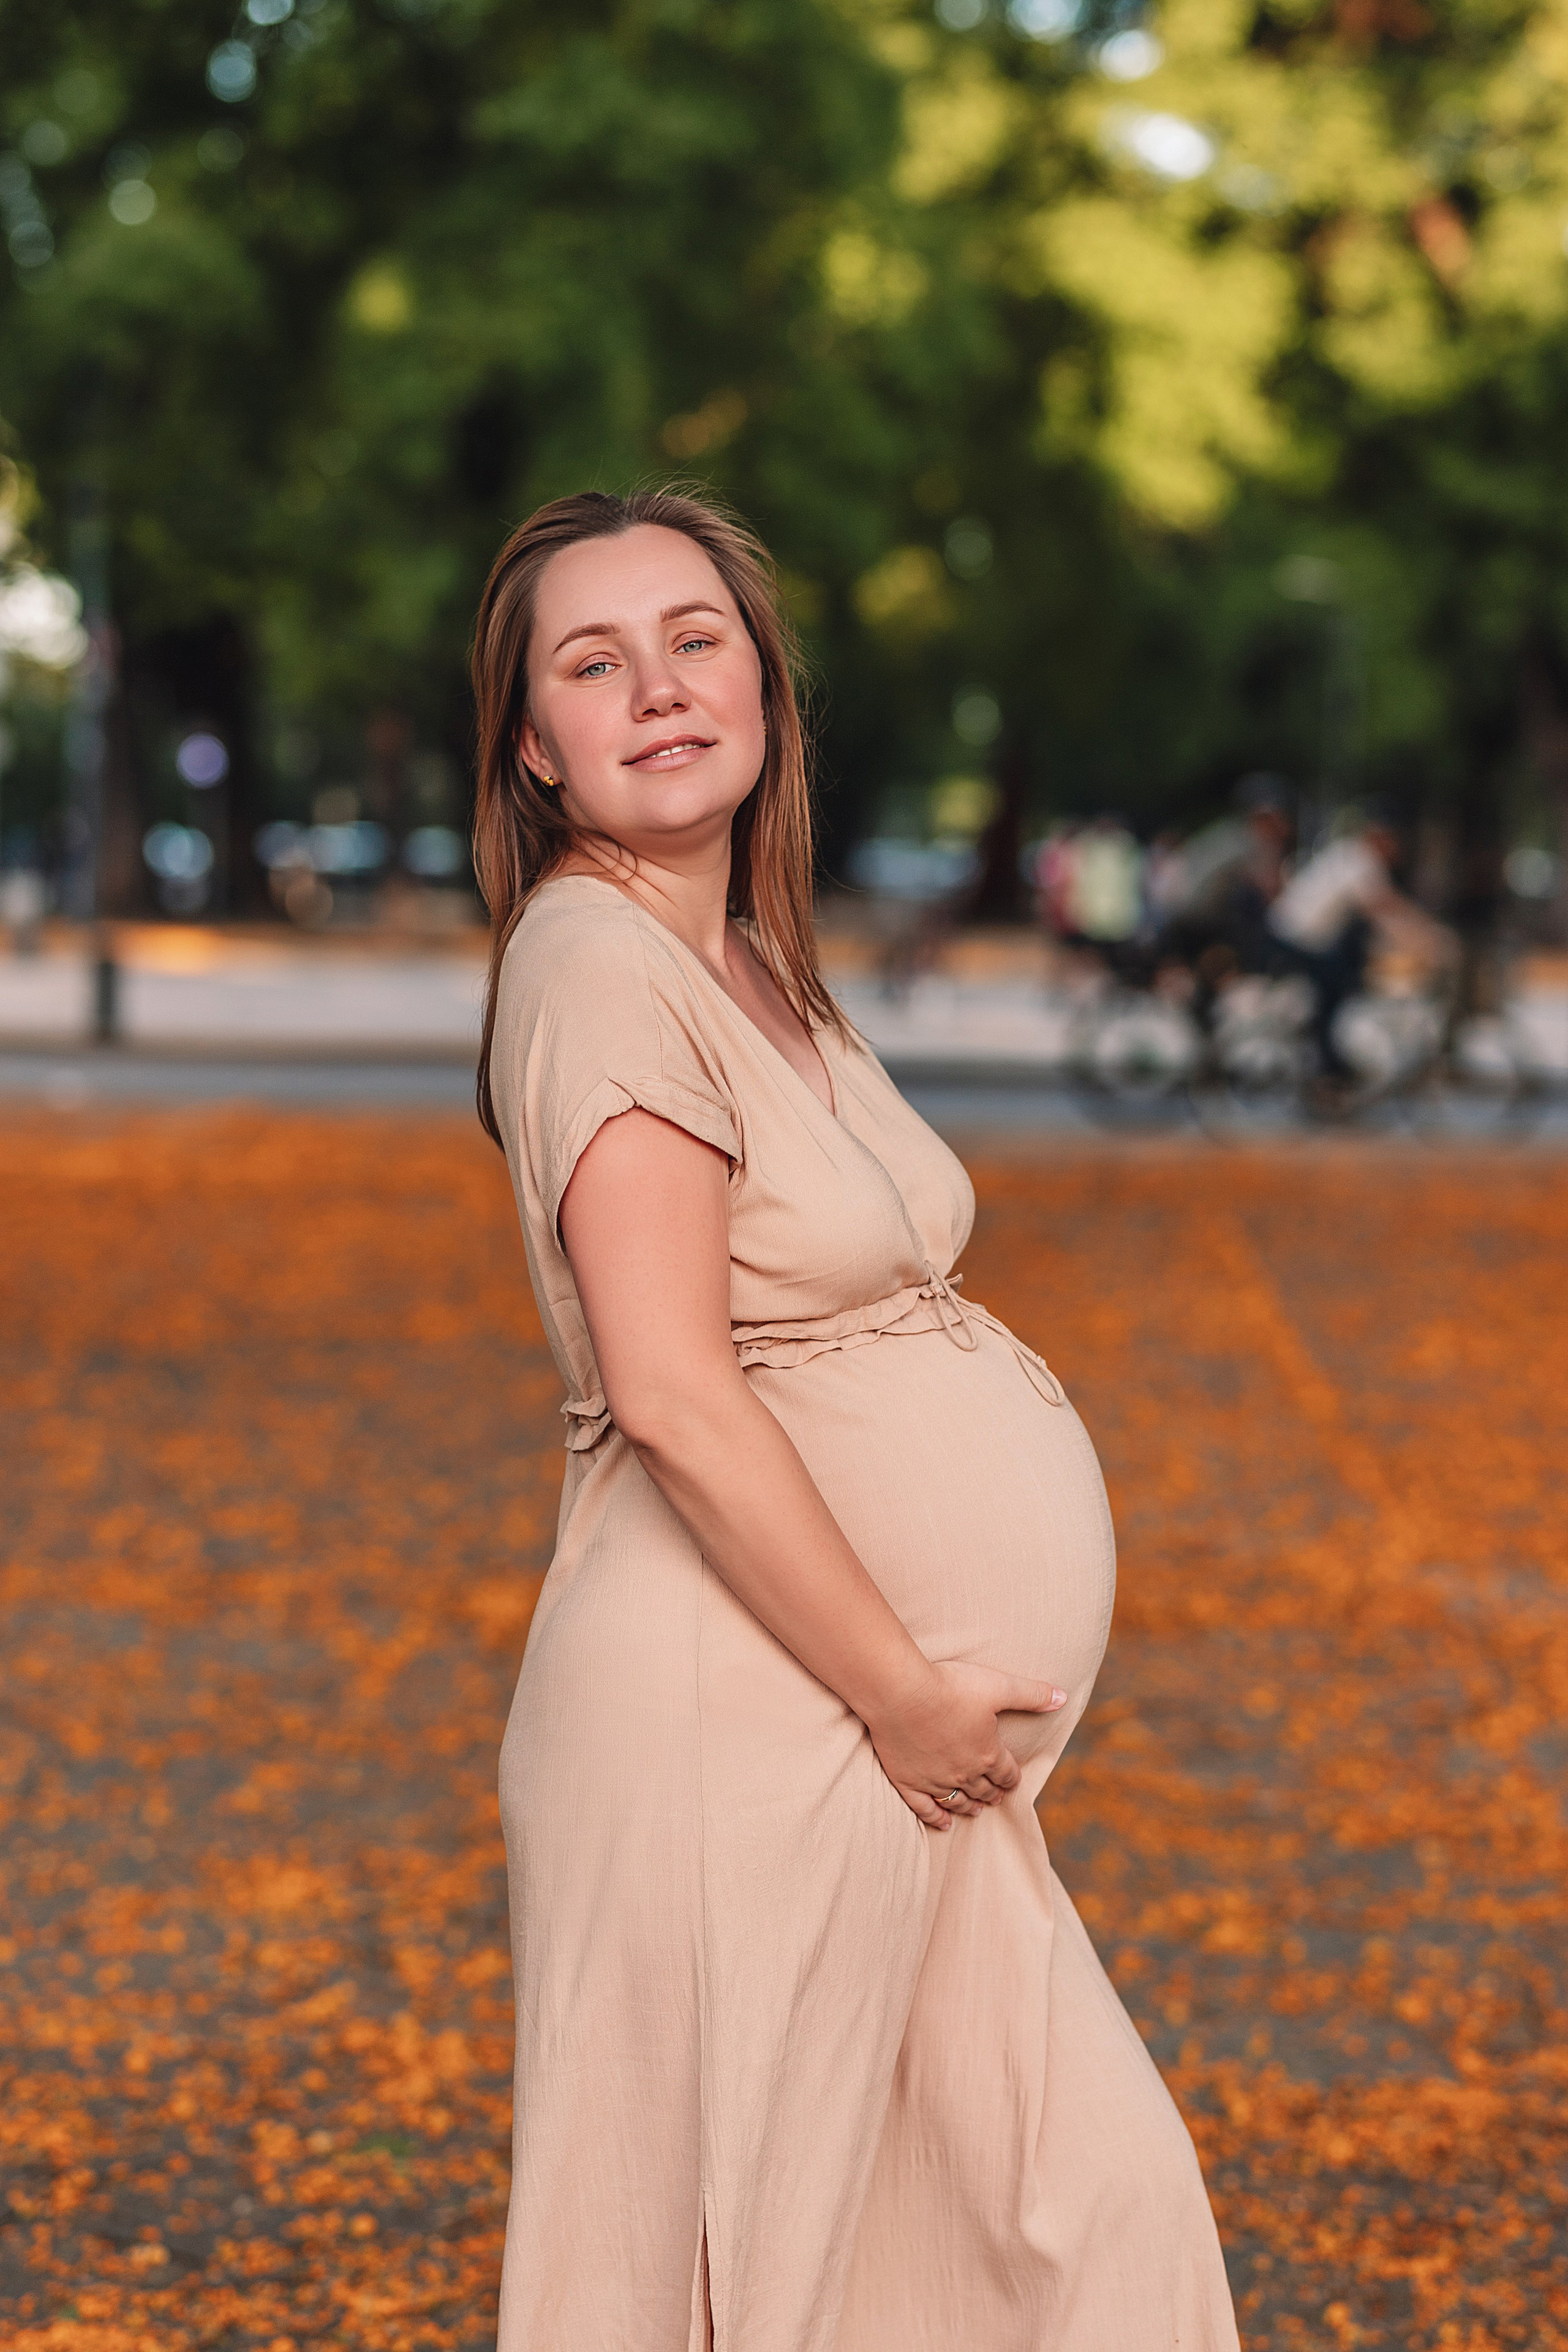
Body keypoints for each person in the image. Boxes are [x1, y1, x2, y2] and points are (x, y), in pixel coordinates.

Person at [470, 486, 1240, 2352]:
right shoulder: (593, 964)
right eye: (594, 661)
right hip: (758, 1725)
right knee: (764, 2271)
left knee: (1063, 2219)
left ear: (764, 687)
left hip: (870, 1737)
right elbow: (669, 1386)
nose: (656, 686)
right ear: (534, 750)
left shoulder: (742, 957)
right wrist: (901, 1688)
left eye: (695, 637)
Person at [1267, 805, 1443, 1077]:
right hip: (1293, 941)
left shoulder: (1352, 856)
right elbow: (1386, 912)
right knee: (1336, 995)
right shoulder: (1359, 861)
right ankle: (1327, 1072)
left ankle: (1329, 1069)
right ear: (1380, 837)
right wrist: (1433, 943)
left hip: (1302, 940)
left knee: (1343, 979)